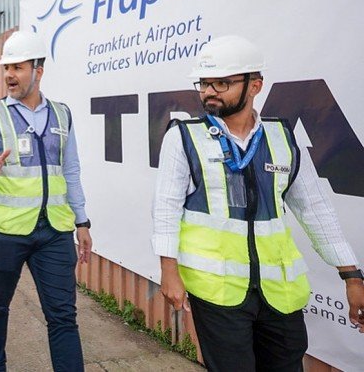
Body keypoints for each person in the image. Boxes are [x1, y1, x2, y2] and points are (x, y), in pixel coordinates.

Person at [152, 35, 364, 371]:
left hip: (279, 291)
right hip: (218, 291)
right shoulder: (184, 137)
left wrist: (351, 274)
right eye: (204, 83)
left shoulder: (283, 138)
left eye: (222, 82)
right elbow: (165, 209)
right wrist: (169, 271)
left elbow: (314, 209)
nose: (209, 92)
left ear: (256, 85)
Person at [0, 30, 93, 372]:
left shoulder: (63, 115)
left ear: (39, 69)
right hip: (5, 233)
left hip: (54, 232)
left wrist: (82, 221)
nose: (9, 75)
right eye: (7, 67)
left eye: (18, 67)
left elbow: (71, 169)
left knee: (63, 315)